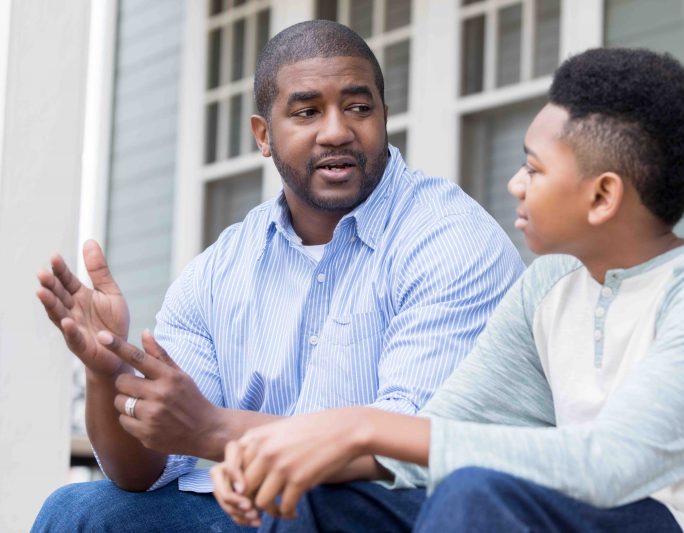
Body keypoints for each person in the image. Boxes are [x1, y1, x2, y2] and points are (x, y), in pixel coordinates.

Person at [212, 47, 684, 532]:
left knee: (476, 494)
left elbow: (609, 464)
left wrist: (361, 427)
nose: (515, 184)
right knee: (318, 497)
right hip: (567, 512)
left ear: (602, 196)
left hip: (681, 522)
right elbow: (445, 435)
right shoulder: (551, 285)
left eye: (534, 169)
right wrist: (290, 451)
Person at [32, 20, 523, 531]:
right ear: (263, 135)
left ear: (384, 114)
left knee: (309, 503)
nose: (337, 131)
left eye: (359, 108)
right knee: (79, 511)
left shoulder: (449, 238)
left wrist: (211, 429)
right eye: (307, 112)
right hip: (259, 510)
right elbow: (144, 472)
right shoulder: (223, 269)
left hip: (401, 512)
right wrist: (106, 370)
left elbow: (409, 447)